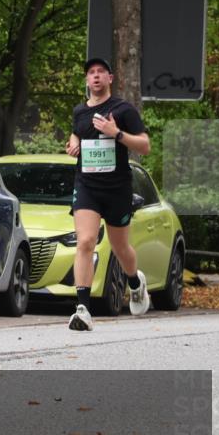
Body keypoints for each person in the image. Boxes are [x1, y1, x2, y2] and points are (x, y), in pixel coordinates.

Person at [66, 57, 151, 331]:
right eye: (91, 72)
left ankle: (135, 282)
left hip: (117, 188)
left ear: (110, 78)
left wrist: (116, 133)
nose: (96, 76)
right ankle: (83, 310)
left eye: (101, 71)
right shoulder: (80, 111)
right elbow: (76, 133)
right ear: (87, 79)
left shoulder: (123, 109)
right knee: (85, 241)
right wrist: (73, 143)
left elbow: (145, 145)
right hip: (87, 185)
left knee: (120, 247)